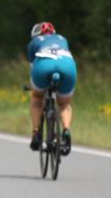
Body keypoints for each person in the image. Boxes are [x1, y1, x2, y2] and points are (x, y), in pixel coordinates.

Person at [27, 22, 77, 155]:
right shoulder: (62, 39)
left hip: (44, 65)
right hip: (67, 64)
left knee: (37, 98)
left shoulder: (34, 42)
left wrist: (35, 88)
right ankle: (66, 130)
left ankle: (36, 133)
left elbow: (33, 68)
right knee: (64, 103)